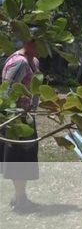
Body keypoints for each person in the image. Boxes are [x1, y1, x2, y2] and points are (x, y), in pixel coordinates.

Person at [1, 38, 41, 213]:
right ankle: (20, 199)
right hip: (16, 118)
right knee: (18, 158)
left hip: (26, 116)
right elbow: (7, 91)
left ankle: (19, 196)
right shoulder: (20, 63)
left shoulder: (34, 61)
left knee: (25, 157)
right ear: (29, 43)